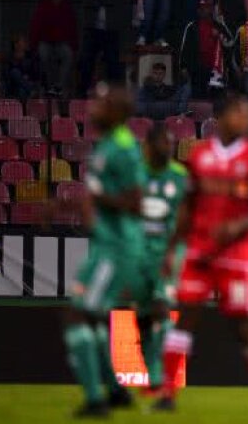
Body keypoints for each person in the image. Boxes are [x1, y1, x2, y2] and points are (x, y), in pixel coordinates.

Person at [154, 93, 248, 412]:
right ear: (222, 116)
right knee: (185, 317)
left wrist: (237, 227)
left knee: (244, 327)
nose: (246, 120)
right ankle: (167, 393)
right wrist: (171, 250)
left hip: (236, 252)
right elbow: (187, 206)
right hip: (198, 251)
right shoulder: (200, 156)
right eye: (241, 113)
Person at [61, 87, 144, 416]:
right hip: (104, 243)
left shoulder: (123, 147)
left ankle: (96, 400)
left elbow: (135, 201)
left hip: (116, 246)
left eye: (102, 102)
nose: (93, 106)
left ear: (117, 110)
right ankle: (116, 392)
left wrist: (94, 201)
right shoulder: (109, 144)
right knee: (90, 317)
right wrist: (69, 203)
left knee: (79, 314)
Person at [136, 124, 189, 394]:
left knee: (161, 307)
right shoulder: (136, 174)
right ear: (150, 145)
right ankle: (154, 378)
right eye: (163, 144)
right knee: (144, 317)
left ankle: (167, 377)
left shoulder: (179, 176)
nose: (169, 149)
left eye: (171, 144)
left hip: (169, 250)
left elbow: (186, 219)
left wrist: (172, 252)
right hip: (140, 254)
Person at [78, 0, 125, 93]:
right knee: (87, 62)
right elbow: (88, 1)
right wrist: (101, 0)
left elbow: (112, 0)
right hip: (93, 31)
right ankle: (82, 93)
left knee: (113, 64)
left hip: (110, 31)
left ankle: (114, 93)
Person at [29, 0, 79, 95]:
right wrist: (33, 45)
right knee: (44, 56)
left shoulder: (66, 8)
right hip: (45, 41)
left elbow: (72, 27)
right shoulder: (43, 6)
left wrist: (74, 45)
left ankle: (59, 86)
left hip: (61, 42)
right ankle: (49, 86)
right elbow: (35, 26)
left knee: (68, 55)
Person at [177, 0, 233, 99]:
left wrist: (220, 34)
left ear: (212, 9)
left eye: (207, 7)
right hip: (197, 68)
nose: (205, 10)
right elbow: (184, 47)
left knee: (216, 98)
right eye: (202, 8)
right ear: (198, 10)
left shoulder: (218, 26)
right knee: (198, 97)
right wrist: (183, 67)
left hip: (215, 69)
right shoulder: (192, 26)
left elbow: (230, 43)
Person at [2, 34, 43, 100]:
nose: (18, 45)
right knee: (15, 72)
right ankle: (31, 90)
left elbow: (35, 72)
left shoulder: (31, 56)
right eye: (16, 43)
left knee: (22, 91)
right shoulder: (9, 57)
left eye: (20, 42)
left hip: (28, 82)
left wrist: (26, 77)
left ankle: (24, 108)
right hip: (14, 85)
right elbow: (6, 74)